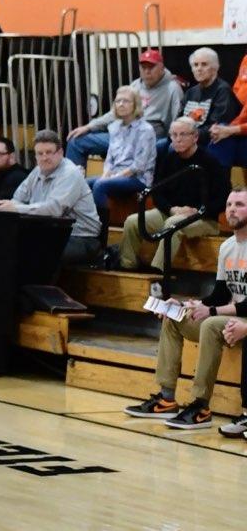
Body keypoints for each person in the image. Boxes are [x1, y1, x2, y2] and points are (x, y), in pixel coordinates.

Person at [124, 189, 247, 430]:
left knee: (211, 324)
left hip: (240, 318)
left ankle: (201, 405)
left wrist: (211, 312)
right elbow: (220, 294)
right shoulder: (227, 247)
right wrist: (188, 304)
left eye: (240, 204)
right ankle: (166, 399)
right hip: (228, 314)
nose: (232, 209)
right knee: (173, 317)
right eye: (229, 204)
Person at [117, 117, 229, 272]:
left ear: (195, 137)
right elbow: (157, 193)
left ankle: (158, 275)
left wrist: (196, 211)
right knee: (133, 221)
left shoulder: (210, 162)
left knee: (173, 224)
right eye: (174, 135)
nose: (178, 139)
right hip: (171, 212)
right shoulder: (169, 159)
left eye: (183, 134)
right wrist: (172, 209)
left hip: (204, 218)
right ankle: (127, 267)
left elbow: (223, 199)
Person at [0, 130, 102, 266]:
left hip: (81, 238)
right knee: (5, 244)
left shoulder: (70, 173)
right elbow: (18, 198)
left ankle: (37, 287)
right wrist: (12, 206)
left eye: (49, 152)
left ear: (60, 153)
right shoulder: (37, 171)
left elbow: (54, 209)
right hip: (51, 233)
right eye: (40, 154)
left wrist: (16, 208)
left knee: (35, 251)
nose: (44, 157)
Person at [66, 48, 183, 167]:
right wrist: (89, 127)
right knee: (76, 141)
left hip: (149, 137)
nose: (147, 71)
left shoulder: (173, 89)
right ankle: (75, 183)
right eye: (143, 67)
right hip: (122, 134)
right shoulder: (135, 85)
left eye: (151, 67)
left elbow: (177, 121)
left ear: (161, 67)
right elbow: (113, 114)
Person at [86, 86, 157, 224]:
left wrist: (114, 176)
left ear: (135, 104)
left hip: (138, 178)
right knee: (85, 183)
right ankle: (86, 224)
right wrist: (106, 173)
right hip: (115, 175)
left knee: (101, 185)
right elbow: (110, 157)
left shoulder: (145, 130)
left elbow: (139, 165)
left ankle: (101, 228)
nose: (121, 104)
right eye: (118, 101)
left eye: (126, 101)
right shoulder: (114, 127)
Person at [181, 47, 240, 148]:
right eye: (195, 65)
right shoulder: (191, 92)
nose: (199, 69)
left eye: (204, 64)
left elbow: (217, 126)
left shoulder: (223, 90)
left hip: (210, 142)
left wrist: (188, 136)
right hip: (186, 138)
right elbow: (180, 118)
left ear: (215, 68)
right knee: (161, 146)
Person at [208, 49, 247, 166]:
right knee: (217, 135)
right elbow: (235, 94)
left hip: (241, 131)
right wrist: (226, 127)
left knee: (222, 140)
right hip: (238, 128)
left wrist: (232, 130)